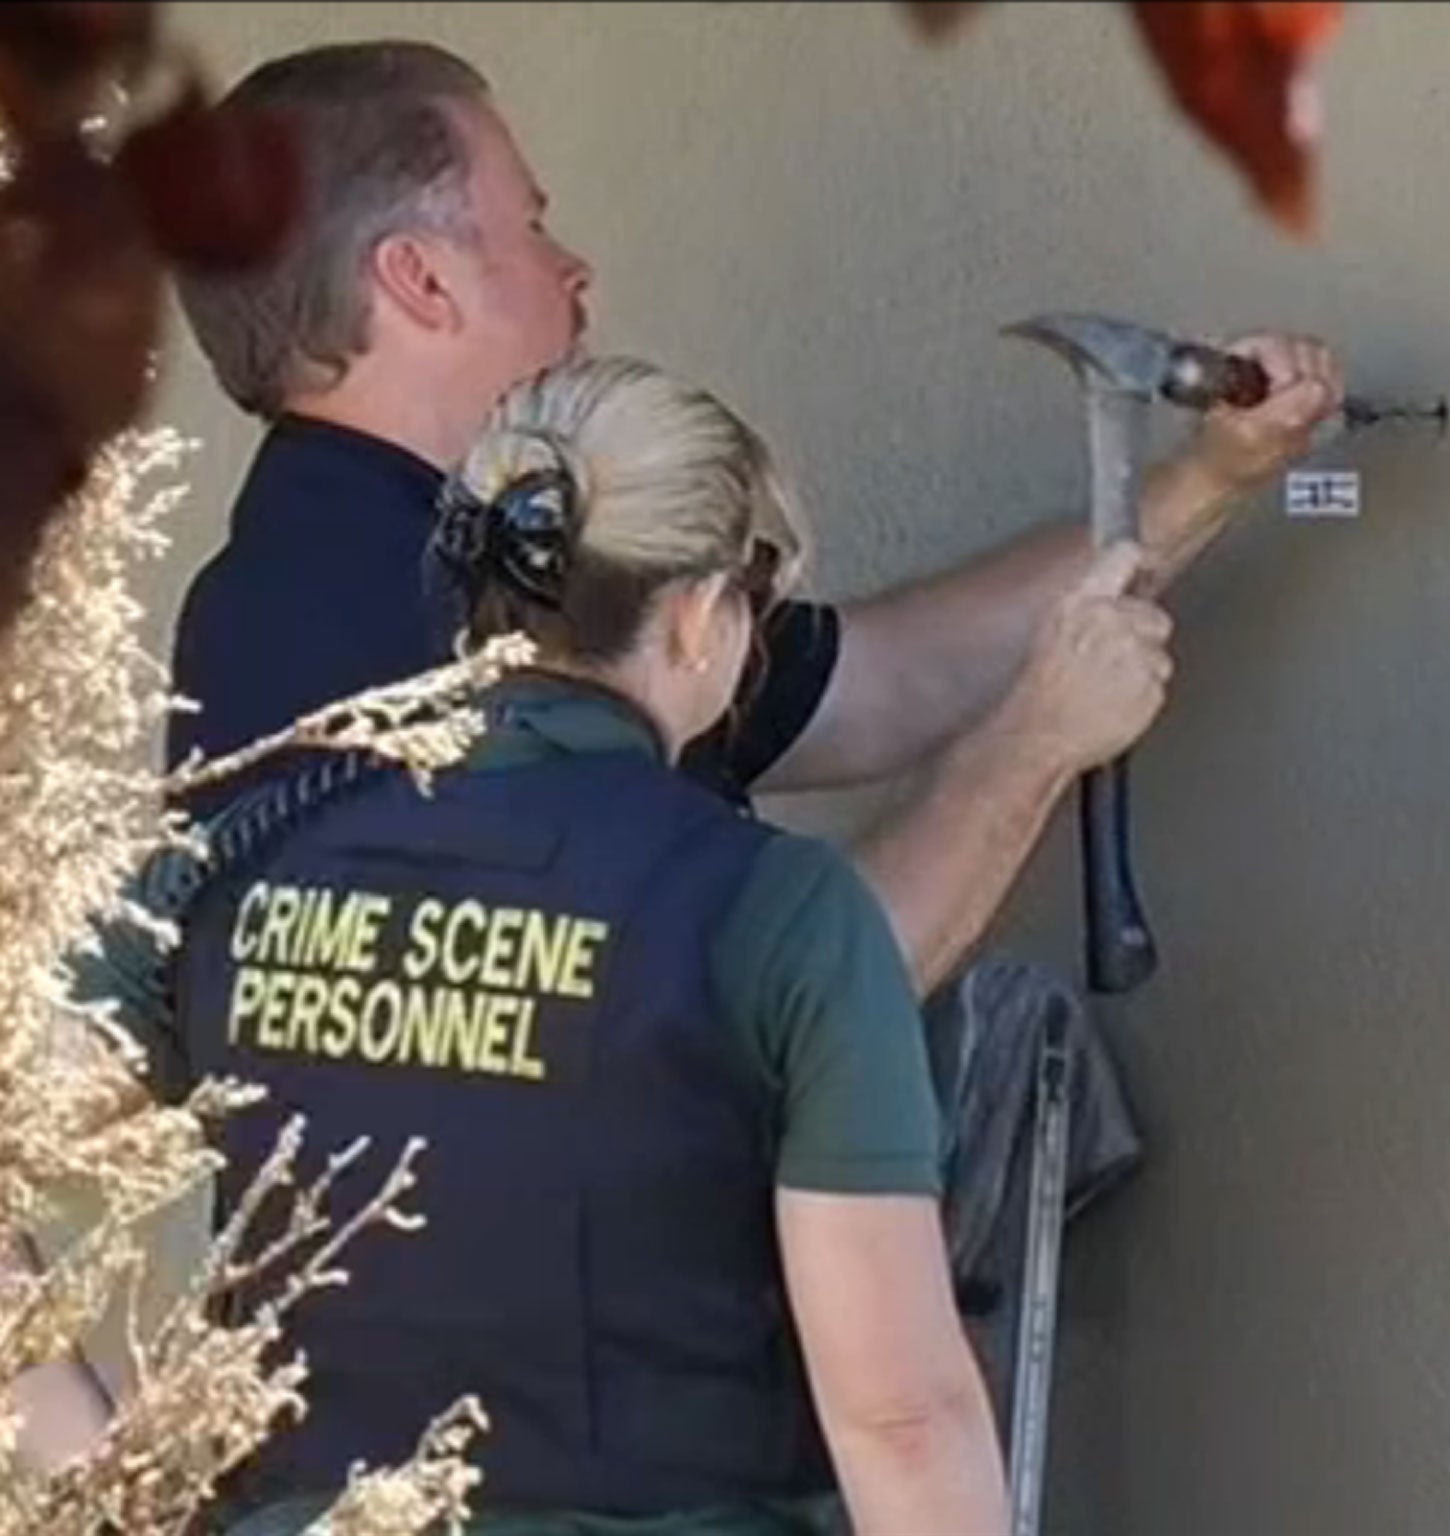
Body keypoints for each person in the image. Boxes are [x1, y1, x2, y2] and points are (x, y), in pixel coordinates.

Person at [65, 355, 1118, 1535]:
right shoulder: (773, 909)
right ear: (693, 618)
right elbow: (904, 1422)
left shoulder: (236, 864)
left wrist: (98, 1487)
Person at [166, 40, 1344, 997]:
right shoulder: (400, 624)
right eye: (531, 225)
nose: (574, 269)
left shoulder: (426, 558)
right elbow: (770, 1015)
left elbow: (878, 687)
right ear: (419, 280)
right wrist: (1031, 748)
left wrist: (1204, 481)